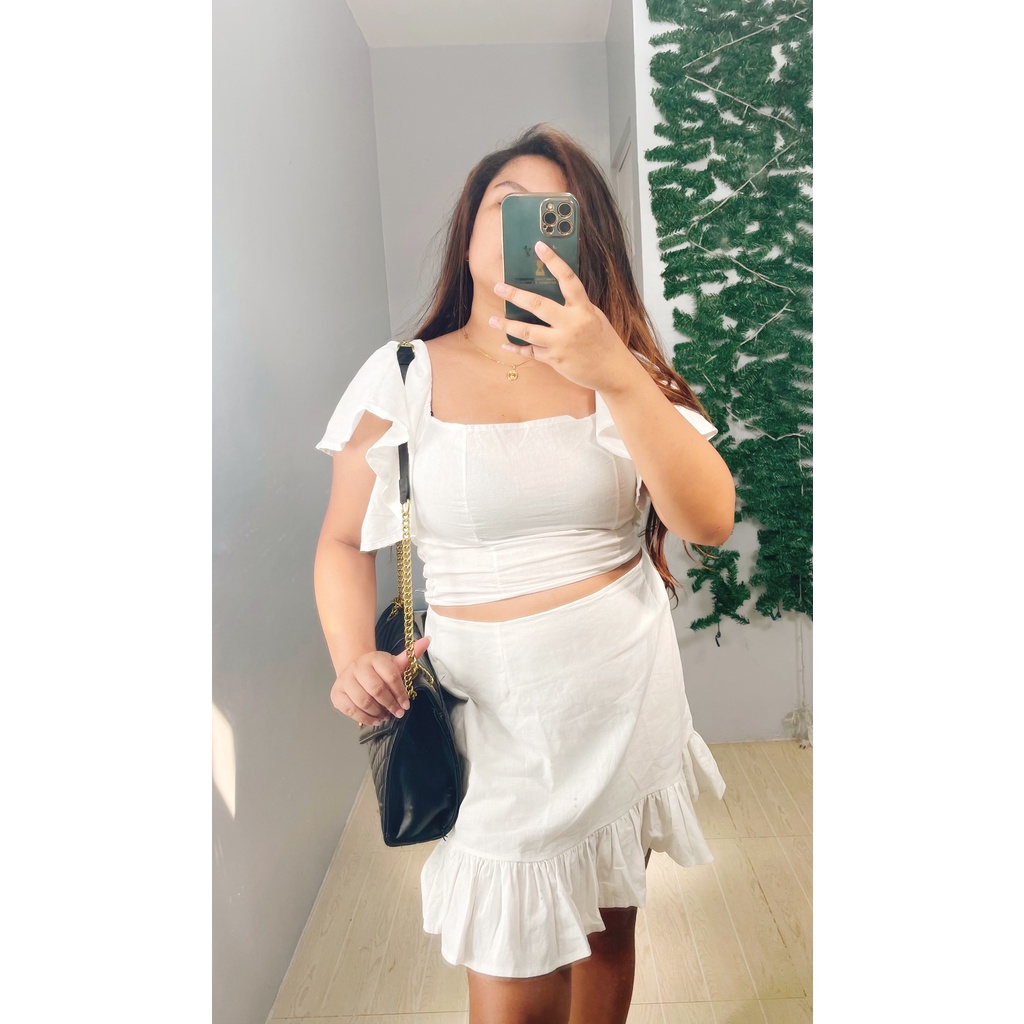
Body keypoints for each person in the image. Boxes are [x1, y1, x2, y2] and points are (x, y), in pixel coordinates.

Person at [313, 124, 735, 1024]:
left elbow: (708, 519)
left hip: (623, 699)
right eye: (507, 205)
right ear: (470, 229)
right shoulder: (402, 376)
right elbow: (345, 542)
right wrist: (351, 656)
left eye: (554, 211)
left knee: (609, 929)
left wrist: (616, 374)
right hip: (492, 720)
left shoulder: (620, 368)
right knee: (514, 989)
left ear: (585, 241)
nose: (526, 225)